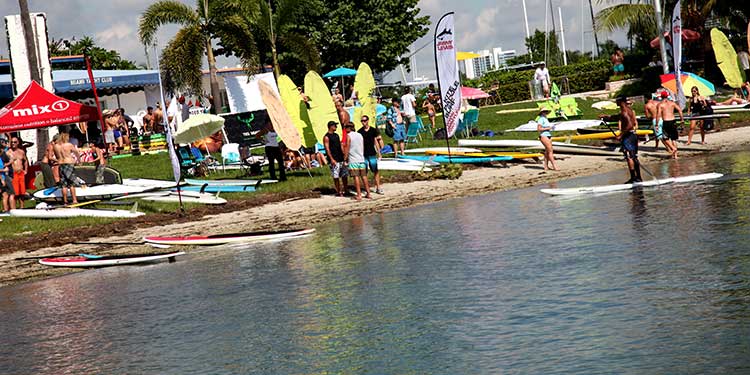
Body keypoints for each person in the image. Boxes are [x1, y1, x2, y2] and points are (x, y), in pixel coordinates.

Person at [616, 96, 642, 183]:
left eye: (617, 101)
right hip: (633, 136)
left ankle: (633, 178)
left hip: (628, 137)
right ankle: (638, 177)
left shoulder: (624, 111)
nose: (616, 102)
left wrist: (621, 135)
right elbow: (621, 117)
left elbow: (630, 125)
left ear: (621, 102)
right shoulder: (629, 110)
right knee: (634, 156)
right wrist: (606, 117)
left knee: (629, 157)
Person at [343, 122, 370, 201]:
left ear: (348, 128)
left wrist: (345, 159)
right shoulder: (359, 135)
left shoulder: (349, 136)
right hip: (361, 158)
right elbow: (363, 146)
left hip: (353, 159)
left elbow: (347, 148)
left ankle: (359, 195)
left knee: (356, 177)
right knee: (364, 176)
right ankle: (368, 193)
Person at [358, 115, 384, 194]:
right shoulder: (360, 132)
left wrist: (379, 152)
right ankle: (367, 189)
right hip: (363, 154)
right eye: (362, 121)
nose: (363, 122)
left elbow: (375, 141)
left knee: (375, 170)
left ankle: (378, 187)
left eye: (365, 120)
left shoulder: (373, 130)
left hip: (372, 153)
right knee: (364, 172)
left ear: (368, 120)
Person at [323, 121, 349, 197]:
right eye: (334, 125)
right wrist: (331, 159)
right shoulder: (327, 137)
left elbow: (340, 145)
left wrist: (344, 155)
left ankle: (346, 189)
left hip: (340, 157)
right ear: (330, 126)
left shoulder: (336, 135)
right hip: (334, 158)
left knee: (344, 175)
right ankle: (339, 191)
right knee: (336, 176)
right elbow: (327, 149)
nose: (336, 127)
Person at [53, 133, 80, 205]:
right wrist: (78, 160)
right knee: (71, 183)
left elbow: (56, 156)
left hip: (61, 164)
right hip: (69, 163)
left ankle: (65, 201)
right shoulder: (69, 145)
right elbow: (76, 152)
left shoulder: (56, 146)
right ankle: (74, 200)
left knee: (64, 184)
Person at [657, 91, 684, 159]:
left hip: (666, 122)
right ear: (667, 96)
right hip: (673, 121)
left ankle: (673, 148)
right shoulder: (672, 103)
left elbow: (658, 115)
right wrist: (682, 119)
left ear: (661, 97)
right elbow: (680, 110)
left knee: (665, 138)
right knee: (673, 139)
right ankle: (675, 156)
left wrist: (657, 124)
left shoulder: (660, 105)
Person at [536, 107, 558, 171]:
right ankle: (554, 166)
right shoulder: (541, 119)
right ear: (542, 113)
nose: (545, 113)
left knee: (547, 151)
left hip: (548, 135)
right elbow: (539, 129)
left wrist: (550, 128)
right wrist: (548, 128)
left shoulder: (545, 119)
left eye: (546, 111)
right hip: (543, 136)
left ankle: (546, 166)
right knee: (550, 151)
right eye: (544, 111)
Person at [9, 136, 27, 207]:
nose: (13, 143)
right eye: (12, 142)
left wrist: (26, 170)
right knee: (15, 192)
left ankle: (22, 207)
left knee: (22, 191)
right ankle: (14, 207)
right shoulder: (8, 152)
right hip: (13, 173)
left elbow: (25, 161)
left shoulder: (21, 151)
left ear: (18, 143)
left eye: (15, 142)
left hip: (21, 173)